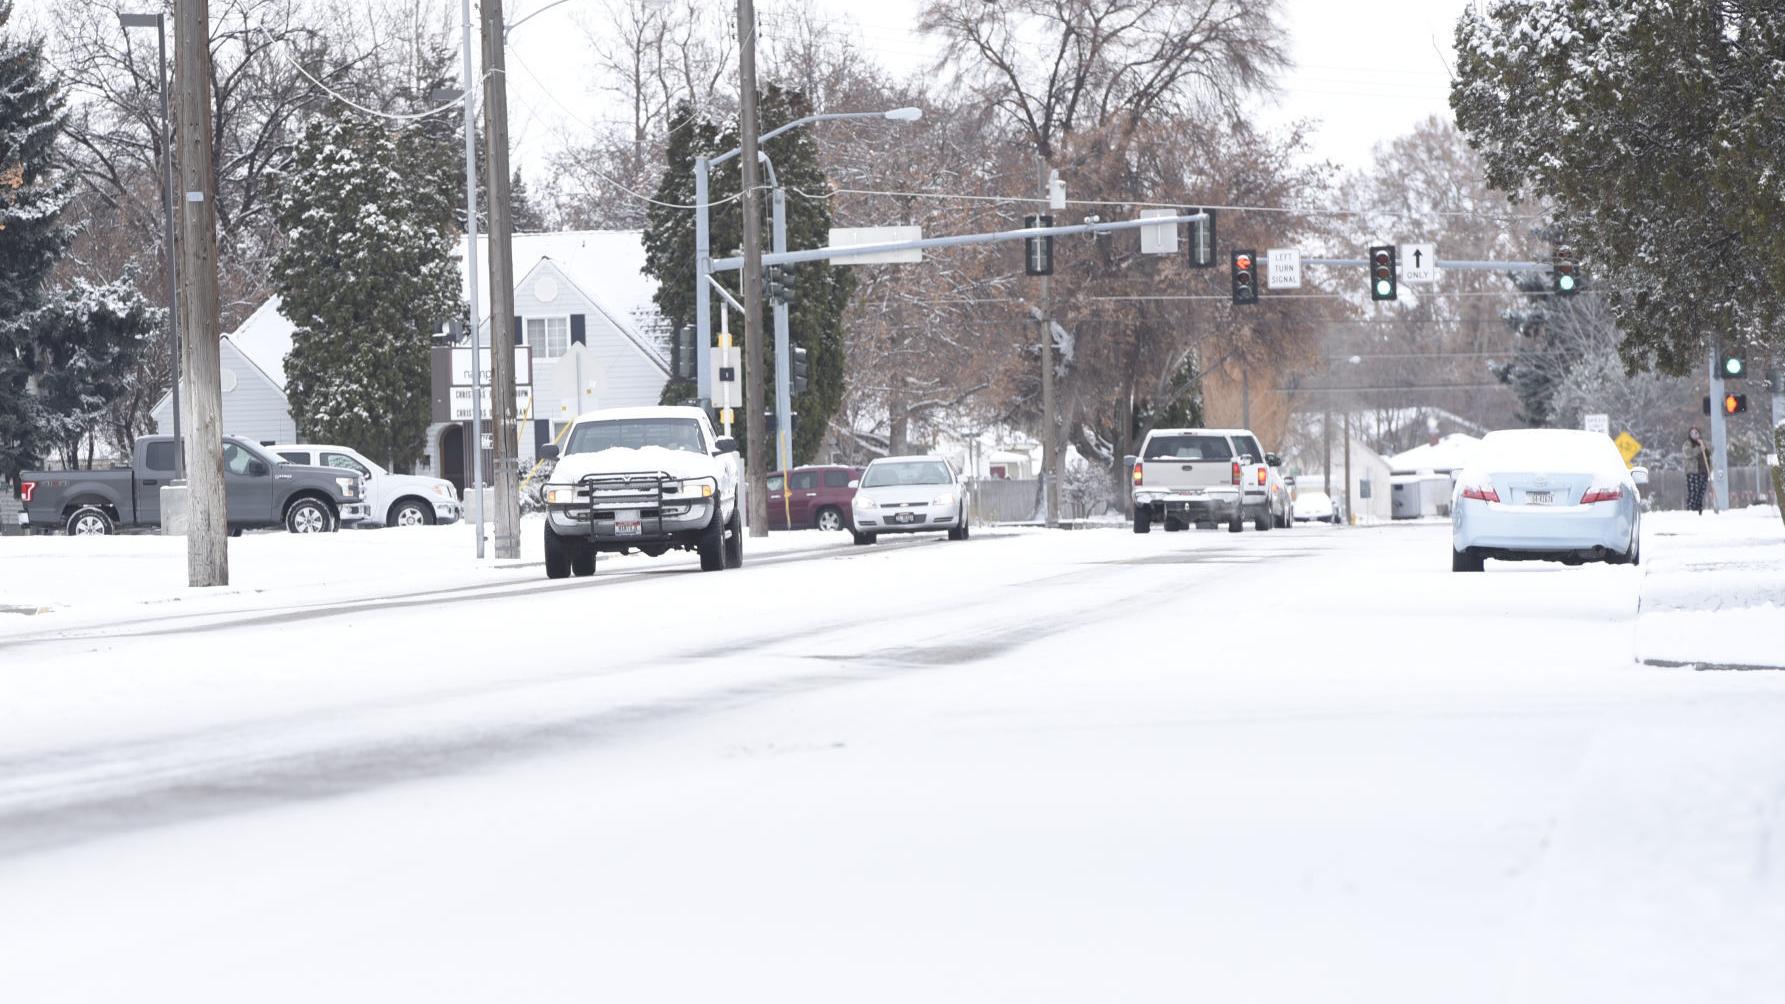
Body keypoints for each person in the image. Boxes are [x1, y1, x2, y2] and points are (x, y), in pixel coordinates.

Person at [1685, 426, 1712, 514]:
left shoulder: (1703, 443)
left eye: (1696, 433)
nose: (1694, 435)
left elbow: (1712, 449)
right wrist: (1700, 449)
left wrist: (1704, 445)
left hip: (1704, 472)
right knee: (1693, 493)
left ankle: (1699, 511)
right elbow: (1688, 454)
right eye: (1692, 433)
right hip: (1693, 472)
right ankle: (1691, 511)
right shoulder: (1688, 444)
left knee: (1701, 493)